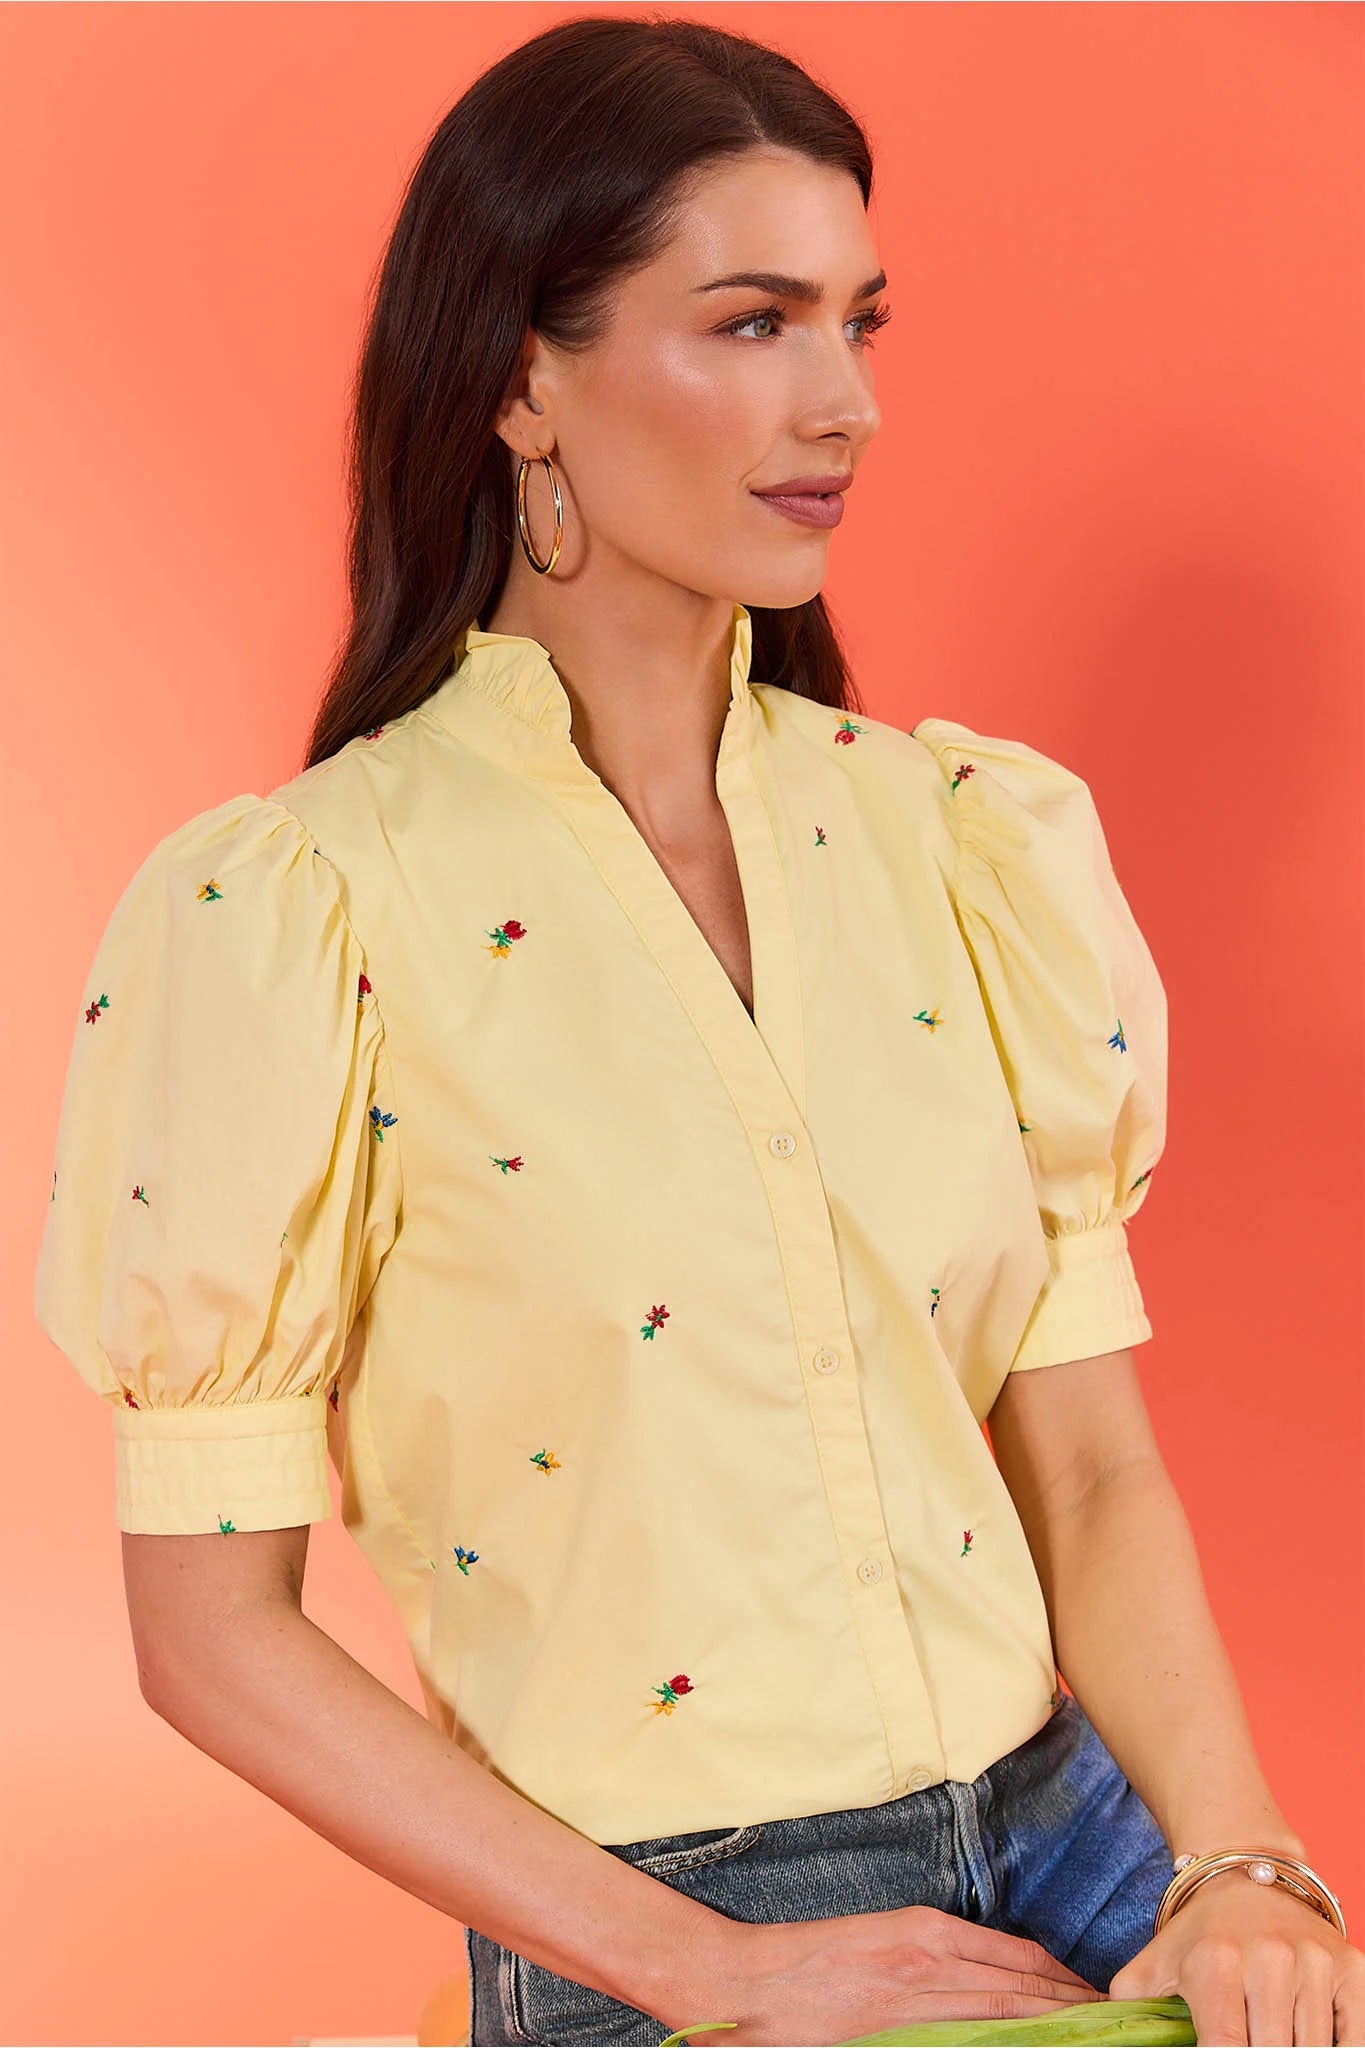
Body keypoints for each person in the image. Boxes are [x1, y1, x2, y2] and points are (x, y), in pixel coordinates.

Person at [33, 15, 1358, 2048]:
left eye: (857, 322)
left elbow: (1084, 1472)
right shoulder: (299, 913)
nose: (843, 405)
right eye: (748, 324)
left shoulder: (952, 848)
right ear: (513, 382)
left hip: (1093, 1846)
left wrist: (1239, 1858)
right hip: (672, 1940)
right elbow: (206, 1640)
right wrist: (707, 1968)